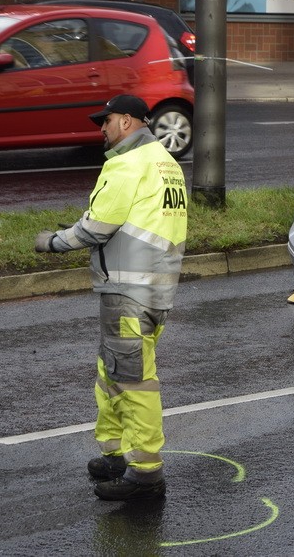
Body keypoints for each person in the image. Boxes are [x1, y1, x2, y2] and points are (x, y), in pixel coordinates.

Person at [35, 94, 187, 501]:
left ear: (125, 121)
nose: (101, 129)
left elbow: (95, 229)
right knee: (113, 375)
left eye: (105, 121)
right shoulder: (165, 163)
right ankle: (115, 454)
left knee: (133, 382)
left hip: (127, 292)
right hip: (153, 289)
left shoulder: (125, 164)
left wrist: (50, 241)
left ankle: (146, 475)